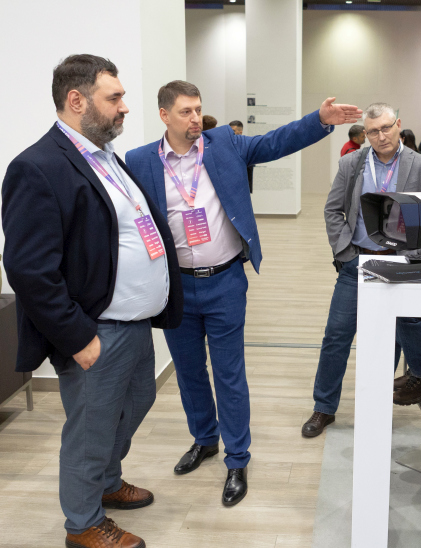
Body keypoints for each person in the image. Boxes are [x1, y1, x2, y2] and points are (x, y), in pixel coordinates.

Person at [126, 80, 361, 506]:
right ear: (164, 115)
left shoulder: (224, 144)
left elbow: (275, 142)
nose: (195, 118)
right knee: (189, 372)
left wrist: (319, 121)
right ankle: (204, 439)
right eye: (185, 111)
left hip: (225, 283)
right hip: (176, 288)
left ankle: (237, 459)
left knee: (229, 373)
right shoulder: (140, 160)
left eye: (198, 109)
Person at [1, 54, 183, 548]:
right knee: (91, 429)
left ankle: (104, 480)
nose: (125, 107)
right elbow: (29, 269)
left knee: (137, 402)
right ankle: (82, 524)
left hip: (133, 323)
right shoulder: (37, 167)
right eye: (114, 97)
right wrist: (77, 336)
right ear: (76, 100)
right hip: (94, 331)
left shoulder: (104, 157)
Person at [303, 103, 421, 438]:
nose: (381, 136)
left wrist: (417, 258)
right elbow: (333, 210)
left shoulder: (420, 165)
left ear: (398, 125)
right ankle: (324, 408)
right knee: (336, 336)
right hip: (358, 263)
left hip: (400, 263)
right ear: (364, 134)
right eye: (372, 131)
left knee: (393, 336)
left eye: (386, 128)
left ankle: (380, 404)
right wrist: (345, 253)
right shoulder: (352, 163)